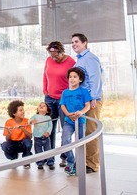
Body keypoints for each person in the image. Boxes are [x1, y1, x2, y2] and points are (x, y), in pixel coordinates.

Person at [71, 33, 103, 173]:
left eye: (76, 41)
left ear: (85, 43)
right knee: (83, 130)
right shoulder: (79, 60)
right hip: (83, 98)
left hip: (91, 99)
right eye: (72, 42)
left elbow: (95, 79)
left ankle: (92, 164)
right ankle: (83, 161)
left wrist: (93, 97)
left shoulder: (90, 58)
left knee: (91, 130)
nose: (73, 44)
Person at [42, 41, 75, 166]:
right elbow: (45, 75)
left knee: (65, 128)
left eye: (56, 55)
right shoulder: (48, 60)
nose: (53, 58)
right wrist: (45, 89)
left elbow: (75, 79)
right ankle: (49, 155)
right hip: (49, 98)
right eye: (51, 55)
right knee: (49, 128)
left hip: (64, 100)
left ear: (62, 51)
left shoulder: (71, 62)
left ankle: (64, 156)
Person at [59, 67, 91, 176]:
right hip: (68, 121)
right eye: (70, 77)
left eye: (75, 77)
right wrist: (68, 114)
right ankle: (71, 162)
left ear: (80, 79)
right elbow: (62, 105)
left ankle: (80, 165)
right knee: (65, 141)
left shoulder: (84, 91)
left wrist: (81, 112)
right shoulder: (65, 92)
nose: (72, 79)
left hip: (80, 121)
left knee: (80, 143)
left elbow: (88, 105)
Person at [1, 100, 33, 168]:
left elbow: (30, 136)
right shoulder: (8, 122)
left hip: (23, 143)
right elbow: (7, 139)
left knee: (28, 142)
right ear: (14, 113)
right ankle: (13, 158)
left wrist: (22, 128)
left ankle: (26, 160)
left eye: (23, 110)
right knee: (5, 145)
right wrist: (9, 133)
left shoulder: (27, 121)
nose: (23, 112)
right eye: (21, 110)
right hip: (13, 143)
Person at [29, 102, 55, 170]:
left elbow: (50, 126)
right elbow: (29, 121)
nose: (41, 106)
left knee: (48, 150)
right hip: (37, 137)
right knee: (38, 151)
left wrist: (48, 132)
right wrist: (31, 122)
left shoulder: (48, 117)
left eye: (44, 106)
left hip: (46, 137)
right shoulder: (35, 116)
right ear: (37, 109)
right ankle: (40, 162)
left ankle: (50, 162)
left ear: (47, 111)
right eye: (40, 105)